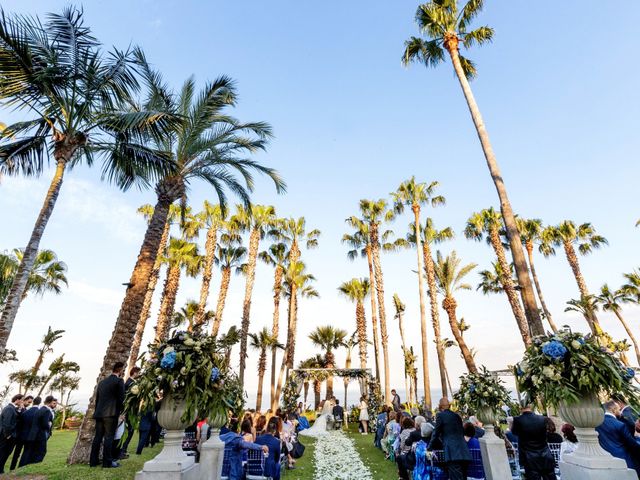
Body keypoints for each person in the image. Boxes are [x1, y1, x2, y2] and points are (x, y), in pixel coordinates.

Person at [90, 361, 125, 468]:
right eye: (122, 370)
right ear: (120, 370)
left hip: (99, 413)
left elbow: (98, 400)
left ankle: (93, 461)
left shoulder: (102, 382)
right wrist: (121, 412)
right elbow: (121, 399)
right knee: (109, 437)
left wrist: (97, 412)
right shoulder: (119, 381)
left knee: (98, 437)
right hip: (111, 414)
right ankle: (107, 462)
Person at [427, 398, 471, 480]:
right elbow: (461, 431)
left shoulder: (440, 416)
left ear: (440, 406)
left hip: (452, 452)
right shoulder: (457, 416)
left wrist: (429, 447)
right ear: (449, 405)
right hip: (464, 450)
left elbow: (435, 433)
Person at [511, 402, 556, 480]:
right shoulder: (542, 418)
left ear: (520, 408)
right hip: (545, 454)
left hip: (529, 457)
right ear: (530, 407)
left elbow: (514, 432)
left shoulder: (517, 420)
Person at [596, 400, 640, 475]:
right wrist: (637, 438)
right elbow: (632, 445)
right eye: (619, 409)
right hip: (625, 461)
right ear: (614, 410)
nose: (621, 412)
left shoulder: (597, 423)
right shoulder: (620, 425)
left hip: (606, 460)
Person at [23, 395, 56, 465]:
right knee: (42, 451)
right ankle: (36, 465)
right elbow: (44, 424)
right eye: (53, 402)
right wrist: (49, 425)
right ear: (50, 402)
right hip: (40, 434)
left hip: (35, 434)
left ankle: (31, 464)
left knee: (34, 451)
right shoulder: (47, 411)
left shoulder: (40, 409)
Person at [118, 366, 141, 458]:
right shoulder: (129, 382)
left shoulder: (134, 382)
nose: (139, 374)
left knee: (131, 430)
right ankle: (122, 450)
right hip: (129, 411)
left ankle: (124, 449)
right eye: (138, 373)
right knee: (128, 430)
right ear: (134, 372)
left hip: (133, 410)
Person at [0, 394, 24, 474]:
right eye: (21, 400)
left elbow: (17, 418)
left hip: (8, 436)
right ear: (17, 399)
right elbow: (7, 423)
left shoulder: (13, 408)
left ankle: (1, 470)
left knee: (5, 454)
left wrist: (20, 409)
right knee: (3, 453)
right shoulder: (9, 409)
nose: (22, 402)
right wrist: (8, 435)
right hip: (5, 437)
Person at [8, 395, 31, 471]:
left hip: (21, 436)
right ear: (24, 400)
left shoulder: (27, 410)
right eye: (28, 402)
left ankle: (12, 469)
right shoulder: (16, 409)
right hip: (14, 435)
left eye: (30, 403)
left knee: (17, 454)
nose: (29, 404)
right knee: (8, 452)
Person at [396, 416, 416, 480]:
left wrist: (399, 451)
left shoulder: (404, 432)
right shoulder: (415, 430)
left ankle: (402, 476)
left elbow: (402, 446)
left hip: (407, 452)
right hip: (415, 450)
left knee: (398, 457)